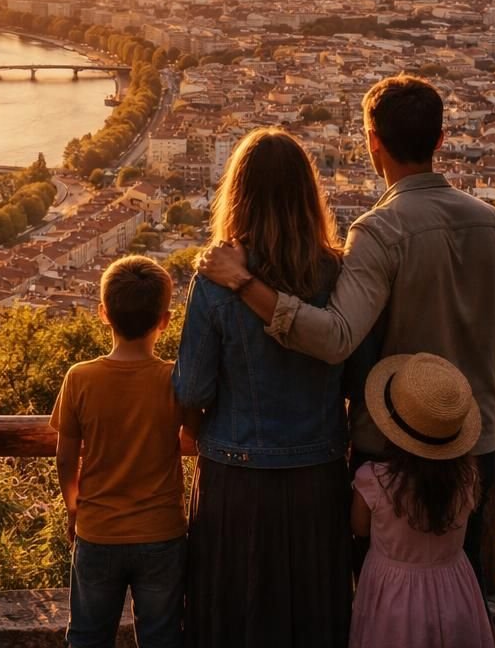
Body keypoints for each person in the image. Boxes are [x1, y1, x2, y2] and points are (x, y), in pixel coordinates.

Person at [200, 75, 495, 592]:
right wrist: (458, 394)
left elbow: (335, 337)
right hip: (475, 442)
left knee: (388, 592)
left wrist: (246, 284)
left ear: (371, 141)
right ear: (441, 140)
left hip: (394, 451)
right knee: (458, 586)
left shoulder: (381, 232)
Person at [172, 128, 362, 648]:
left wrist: (191, 430)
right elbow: (354, 369)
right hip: (317, 477)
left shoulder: (215, 275)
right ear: (307, 193)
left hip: (235, 478)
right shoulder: (335, 271)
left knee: (232, 615)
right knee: (311, 615)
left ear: (238, 193)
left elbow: (192, 387)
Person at [51, 254, 187, 648]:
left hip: (99, 530)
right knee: (162, 636)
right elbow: (193, 436)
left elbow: (65, 457)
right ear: (164, 320)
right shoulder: (173, 379)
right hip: (162, 531)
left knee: (88, 636)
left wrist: (74, 508)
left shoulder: (80, 378)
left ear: (103, 314)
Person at [349, 353, 495, 648]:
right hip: (455, 588)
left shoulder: (374, 480)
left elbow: (360, 529)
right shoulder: (467, 477)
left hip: (392, 596)